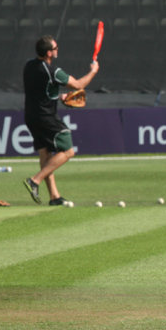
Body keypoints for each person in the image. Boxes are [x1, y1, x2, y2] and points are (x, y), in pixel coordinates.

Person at [22, 35, 99, 205]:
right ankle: (34, 180)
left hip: (31, 116)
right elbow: (78, 85)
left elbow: (39, 91)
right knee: (68, 151)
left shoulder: (29, 65)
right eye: (55, 48)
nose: (58, 50)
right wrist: (93, 71)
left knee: (45, 153)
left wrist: (57, 96)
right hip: (46, 117)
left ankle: (54, 197)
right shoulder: (53, 71)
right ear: (49, 53)